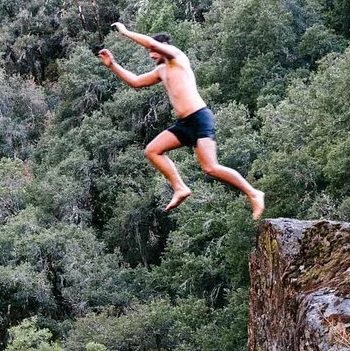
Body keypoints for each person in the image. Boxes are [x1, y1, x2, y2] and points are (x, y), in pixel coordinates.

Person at [97, 23, 265, 218]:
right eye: (148, 51)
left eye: (153, 50)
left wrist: (125, 33)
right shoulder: (161, 71)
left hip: (199, 118)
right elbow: (135, 82)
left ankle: (253, 193)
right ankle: (180, 187)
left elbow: (152, 42)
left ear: (165, 46)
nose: (150, 54)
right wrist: (113, 65)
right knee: (152, 150)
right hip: (184, 124)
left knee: (211, 167)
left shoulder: (177, 57)